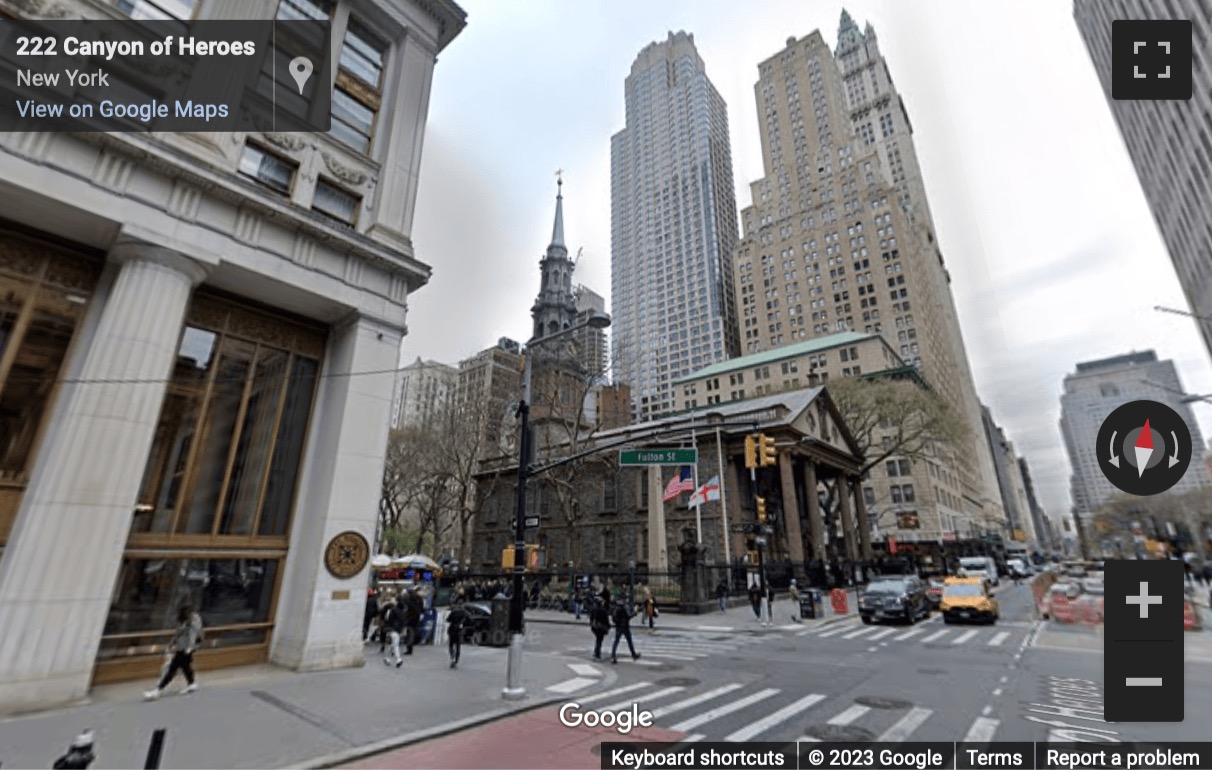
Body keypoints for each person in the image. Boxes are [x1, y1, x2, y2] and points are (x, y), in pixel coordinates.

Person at [144, 604, 204, 700]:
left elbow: (193, 634)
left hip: (186, 649)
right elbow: (178, 634)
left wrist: (190, 647)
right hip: (182, 648)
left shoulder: (193, 621)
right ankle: (191, 684)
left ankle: (158, 689)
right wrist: (171, 644)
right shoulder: (183, 622)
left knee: (173, 669)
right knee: (186, 667)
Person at [610, 599, 641, 664]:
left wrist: (617, 623)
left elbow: (613, 618)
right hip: (625, 626)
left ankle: (613, 655)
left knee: (616, 641)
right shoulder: (623, 609)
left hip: (618, 627)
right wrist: (635, 613)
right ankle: (633, 654)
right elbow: (628, 616)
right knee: (629, 641)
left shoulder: (616, 609)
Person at [382, 598, 407, 668]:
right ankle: (389, 658)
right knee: (394, 644)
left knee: (391, 644)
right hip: (398, 630)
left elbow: (387, 619)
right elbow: (404, 622)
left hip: (390, 629)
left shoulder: (392, 610)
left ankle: (396, 659)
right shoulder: (402, 612)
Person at [446, 600, 468, 669]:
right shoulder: (464, 612)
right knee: (458, 645)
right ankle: (456, 660)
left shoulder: (453, 612)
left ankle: (452, 657)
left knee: (451, 644)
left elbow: (448, 620)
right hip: (459, 630)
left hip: (452, 629)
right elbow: (468, 619)